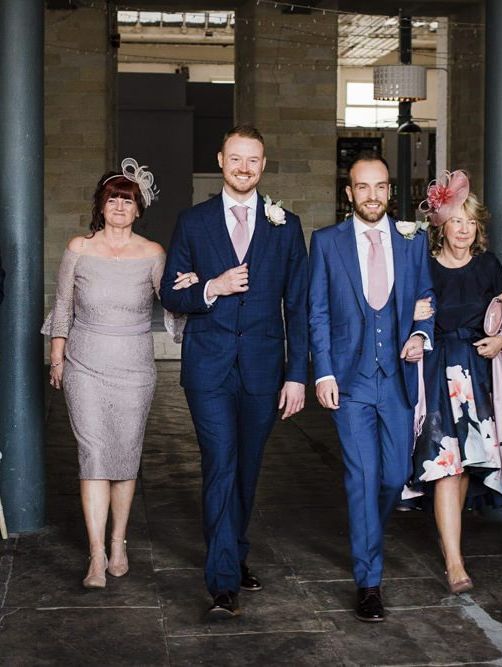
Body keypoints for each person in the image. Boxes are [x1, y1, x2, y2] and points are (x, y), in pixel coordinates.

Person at [159, 125, 309, 620]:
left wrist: (296, 375)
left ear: (263, 165)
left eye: (254, 160)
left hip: (265, 370)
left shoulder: (287, 226)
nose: (244, 168)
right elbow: (171, 293)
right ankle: (223, 579)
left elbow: (300, 307)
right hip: (209, 369)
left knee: (246, 468)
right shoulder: (193, 222)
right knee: (220, 462)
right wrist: (212, 286)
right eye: (236, 158)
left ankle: (234, 552)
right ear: (221, 160)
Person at [308, 151, 435, 622]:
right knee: (362, 478)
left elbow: (427, 296)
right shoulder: (326, 242)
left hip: (398, 381)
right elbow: (317, 311)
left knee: (392, 478)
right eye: (363, 187)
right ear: (349, 193)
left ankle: (369, 538)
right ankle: (369, 582)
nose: (373, 195)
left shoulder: (412, 241)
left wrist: (421, 334)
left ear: (390, 191)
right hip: (351, 380)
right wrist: (322, 372)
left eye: (380, 186)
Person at [42, 159, 164, 589]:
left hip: (134, 367)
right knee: (93, 456)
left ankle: (118, 543)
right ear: (101, 204)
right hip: (85, 365)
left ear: (138, 209)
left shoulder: (152, 254)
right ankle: (96, 555)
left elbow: (173, 299)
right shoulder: (79, 248)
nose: (118, 205)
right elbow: (62, 307)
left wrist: (200, 284)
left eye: (126, 200)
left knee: (124, 455)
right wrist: (57, 357)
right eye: (112, 198)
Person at [410, 170, 502, 593]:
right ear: (441, 224)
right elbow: (407, 316)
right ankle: (456, 564)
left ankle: (449, 545)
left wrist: (501, 338)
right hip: (436, 372)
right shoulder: (421, 267)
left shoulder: (488, 266)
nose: (464, 229)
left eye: (471, 221)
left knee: (462, 470)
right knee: (445, 465)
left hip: (476, 376)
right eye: (457, 220)